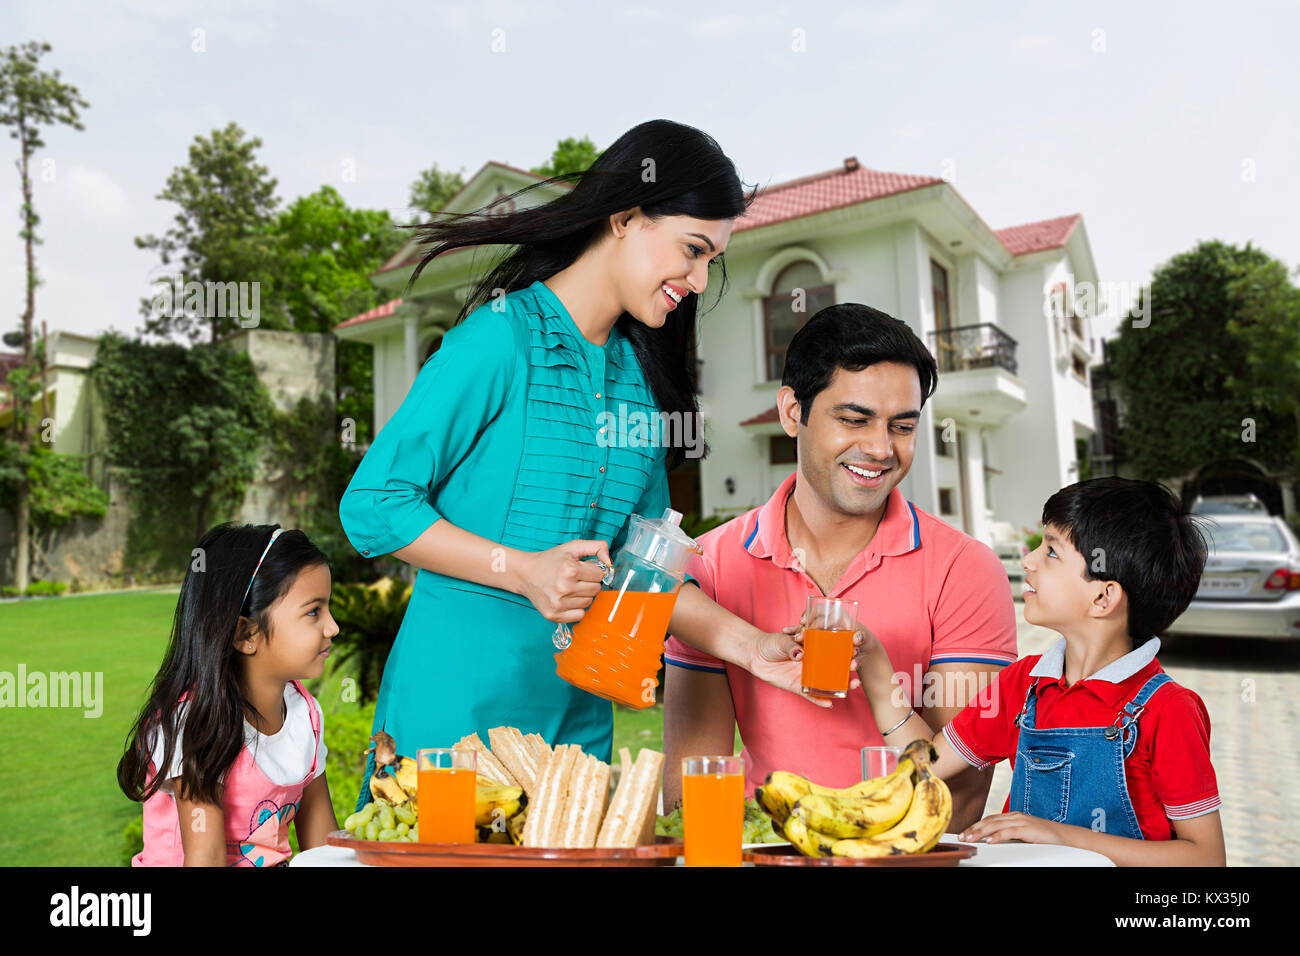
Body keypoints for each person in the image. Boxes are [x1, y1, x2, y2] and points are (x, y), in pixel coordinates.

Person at [338, 119, 853, 811]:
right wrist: (520, 569)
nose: (700, 280)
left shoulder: (639, 383)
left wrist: (753, 646)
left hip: (575, 736)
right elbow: (373, 505)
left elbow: (649, 566)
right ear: (625, 217)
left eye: (713, 261)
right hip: (451, 728)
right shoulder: (497, 341)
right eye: (693, 250)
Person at [663, 303, 1017, 832]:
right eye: (854, 419)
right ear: (791, 412)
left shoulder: (964, 570)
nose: (879, 449)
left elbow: (961, 793)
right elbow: (693, 785)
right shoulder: (710, 566)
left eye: (902, 426)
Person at [856, 477, 1226, 865]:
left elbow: (1206, 857)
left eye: (1051, 551)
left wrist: (1059, 836)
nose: (1028, 559)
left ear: (1102, 597)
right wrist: (876, 667)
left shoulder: (1170, 710)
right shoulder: (1023, 684)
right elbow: (927, 768)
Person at [119, 524, 340, 866]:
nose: (332, 627)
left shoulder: (304, 716)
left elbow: (324, 852)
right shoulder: (198, 726)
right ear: (245, 633)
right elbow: (205, 858)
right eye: (313, 611)